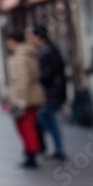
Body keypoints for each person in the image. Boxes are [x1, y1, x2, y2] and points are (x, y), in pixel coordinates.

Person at [4, 29, 45, 169]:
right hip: (31, 97)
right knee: (29, 126)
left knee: (26, 127)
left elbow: (22, 80)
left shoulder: (20, 56)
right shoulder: (28, 53)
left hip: (24, 99)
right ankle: (31, 153)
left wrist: (18, 101)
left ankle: (31, 155)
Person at [30, 25, 66, 162]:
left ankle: (57, 148)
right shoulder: (45, 50)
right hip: (49, 92)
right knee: (47, 120)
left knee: (48, 120)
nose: (29, 39)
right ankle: (54, 148)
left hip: (50, 93)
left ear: (38, 37)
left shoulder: (46, 51)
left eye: (31, 36)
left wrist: (36, 79)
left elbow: (49, 73)